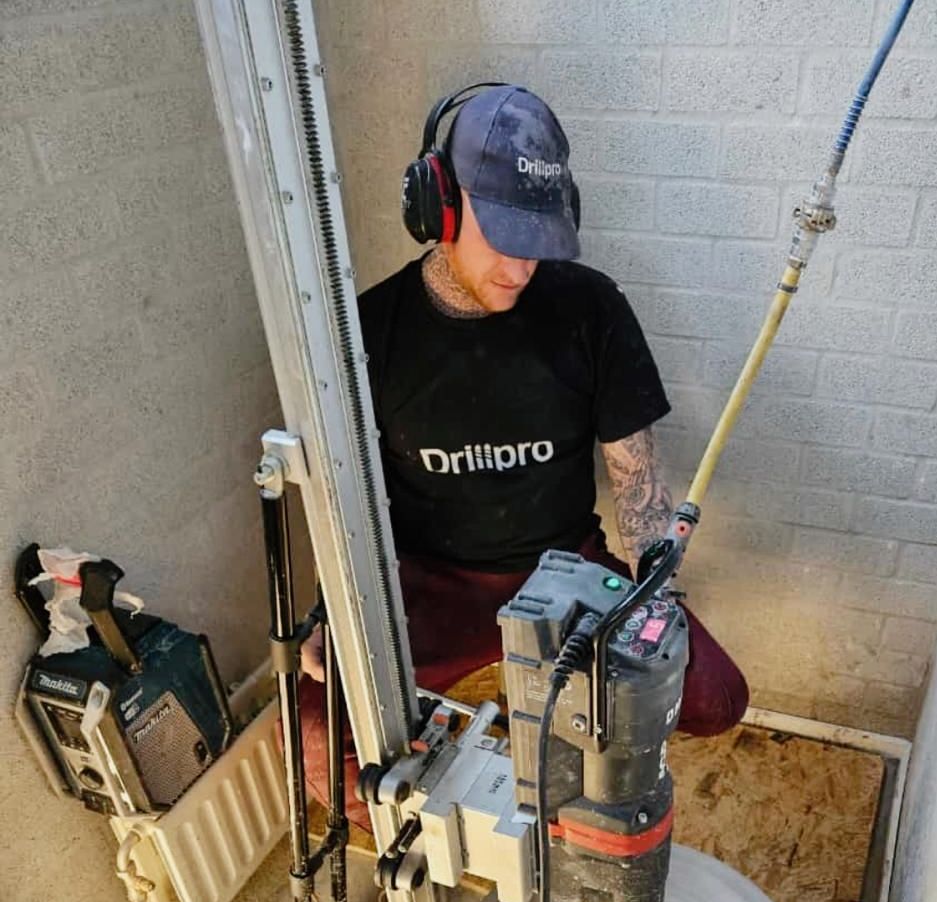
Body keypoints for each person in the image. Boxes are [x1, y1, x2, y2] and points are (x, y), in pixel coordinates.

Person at [299, 83, 748, 824]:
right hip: (430, 584)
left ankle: (552, 785)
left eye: (537, 243)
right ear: (438, 206)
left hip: (564, 574)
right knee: (321, 744)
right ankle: (474, 831)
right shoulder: (369, 333)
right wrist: (332, 611)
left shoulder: (589, 308)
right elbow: (344, 498)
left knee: (713, 698)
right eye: (502, 238)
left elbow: (636, 485)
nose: (520, 268)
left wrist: (653, 599)